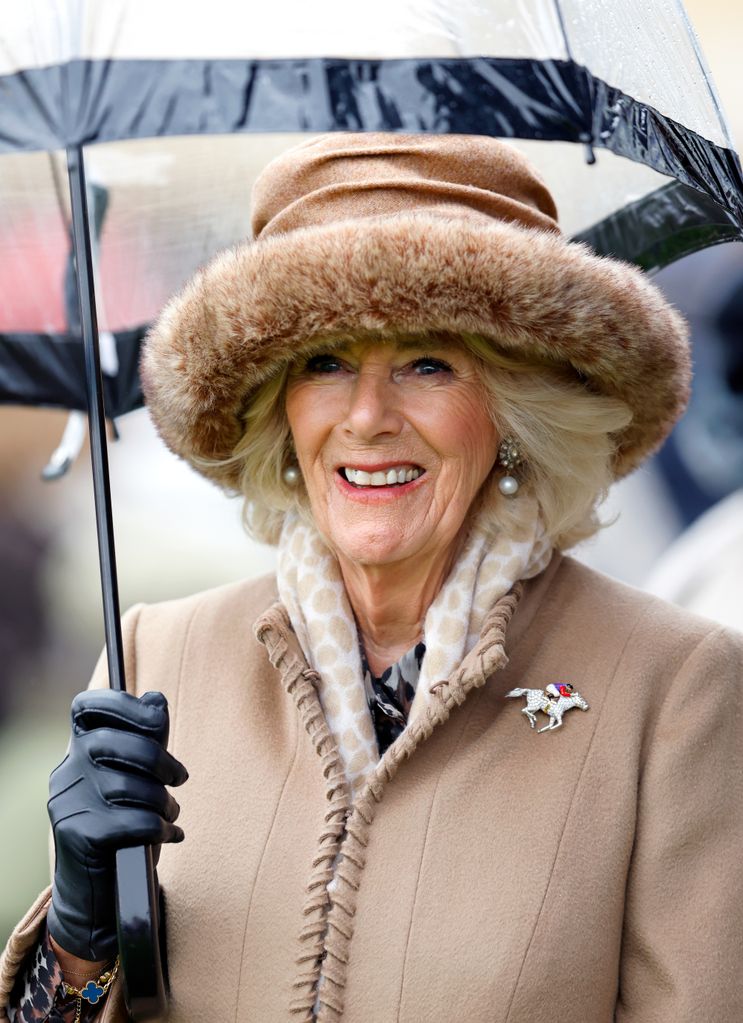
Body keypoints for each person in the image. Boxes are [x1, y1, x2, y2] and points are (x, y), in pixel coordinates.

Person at [2, 133, 742, 1023]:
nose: (366, 416)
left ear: (515, 408)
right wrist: (77, 938)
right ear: (278, 404)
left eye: (427, 363)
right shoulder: (153, 658)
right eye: (325, 362)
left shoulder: (675, 691)